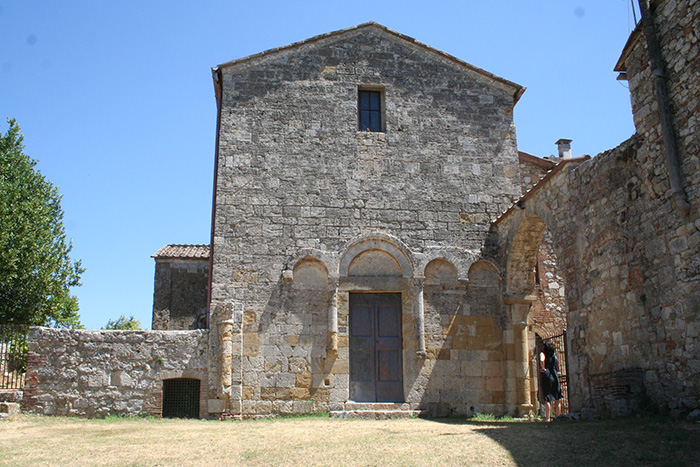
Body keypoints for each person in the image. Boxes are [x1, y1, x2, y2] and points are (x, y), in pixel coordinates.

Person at [539, 340, 563, 422]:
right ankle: (558, 417)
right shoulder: (554, 355)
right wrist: (558, 371)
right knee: (557, 397)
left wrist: (543, 368)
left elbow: (542, 360)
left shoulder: (543, 354)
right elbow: (557, 363)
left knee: (547, 398)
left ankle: (548, 418)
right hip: (554, 374)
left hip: (547, 375)